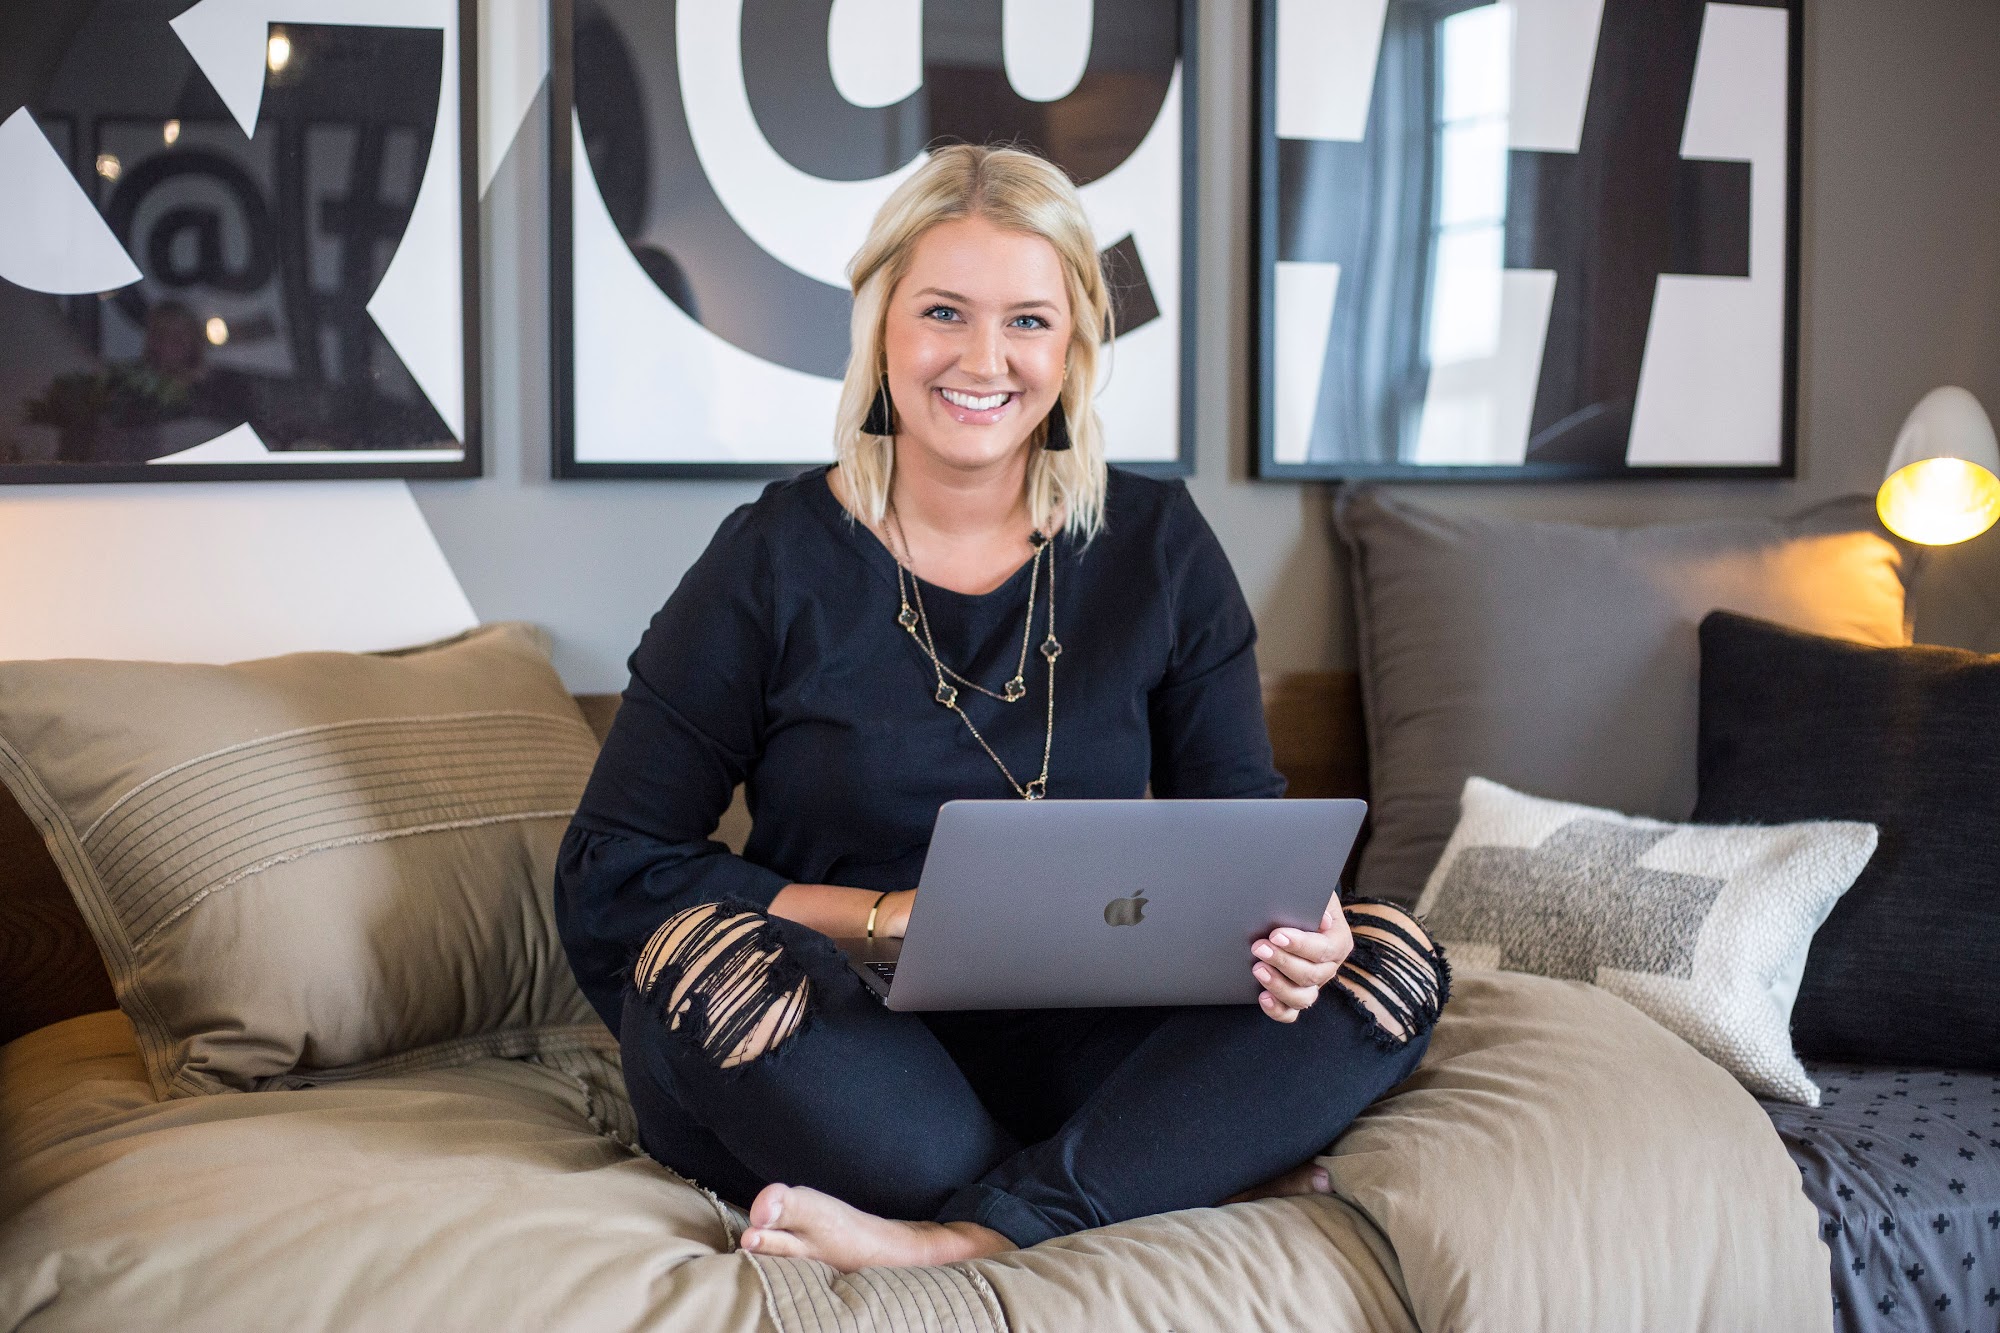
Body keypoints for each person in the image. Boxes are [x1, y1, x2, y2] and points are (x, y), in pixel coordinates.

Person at [555, 144, 1450, 1274]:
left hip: (1086, 1032)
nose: (984, 360)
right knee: (706, 970)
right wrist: (884, 916)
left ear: (1072, 344)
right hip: (844, 1042)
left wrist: (1301, 931)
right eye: (944, 312)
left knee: (1390, 962)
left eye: (1028, 320)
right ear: (881, 324)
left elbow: (1245, 839)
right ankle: (1149, 1170)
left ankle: (961, 1233)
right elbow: (613, 870)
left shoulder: (1159, 547)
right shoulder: (768, 560)